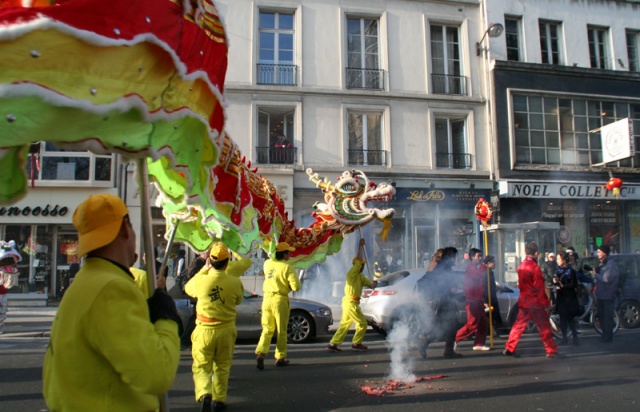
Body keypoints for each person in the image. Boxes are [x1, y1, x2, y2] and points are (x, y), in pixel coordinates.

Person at [43, 194, 181, 411]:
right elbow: (157, 374)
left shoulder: (83, 284)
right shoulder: (112, 288)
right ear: (126, 229)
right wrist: (166, 319)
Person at [184, 242, 245, 412]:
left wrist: (204, 269)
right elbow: (239, 300)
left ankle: (204, 393)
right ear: (227, 262)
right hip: (226, 330)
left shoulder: (202, 280)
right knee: (222, 366)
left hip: (204, 329)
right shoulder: (234, 281)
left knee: (202, 366)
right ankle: (219, 399)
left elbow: (188, 288)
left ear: (210, 261)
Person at [503, 242, 558, 358]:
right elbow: (539, 288)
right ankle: (551, 350)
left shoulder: (521, 266)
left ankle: (509, 347)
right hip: (535, 303)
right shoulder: (535, 268)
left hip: (524, 301)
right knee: (544, 327)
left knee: (518, 325)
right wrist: (546, 303)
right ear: (536, 253)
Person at [255, 242, 301, 369]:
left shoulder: (267, 263)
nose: (290, 255)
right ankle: (280, 357)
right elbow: (296, 286)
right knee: (281, 330)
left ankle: (261, 352)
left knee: (267, 329)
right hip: (280, 300)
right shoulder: (288, 268)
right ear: (284, 254)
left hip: (267, 299)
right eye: (288, 252)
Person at [328, 238, 378, 352]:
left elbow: (370, 285)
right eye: (361, 265)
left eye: (363, 265)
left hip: (352, 303)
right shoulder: (351, 273)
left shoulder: (361, 277)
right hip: (350, 303)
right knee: (362, 323)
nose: (363, 266)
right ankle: (356, 343)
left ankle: (333, 343)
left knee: (344, 325)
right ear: (356, 265)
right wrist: (360, 246)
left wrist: (373, 284)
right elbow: (358, 261)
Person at [416, 246, 463, 359]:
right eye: (454, 257)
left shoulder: (442, 267)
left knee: (445, 326)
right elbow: (439, 284)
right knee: (449, 326)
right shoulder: (443, 268)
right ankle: (442, 349)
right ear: (450, 257)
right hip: (443, 301)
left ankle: (430, 344)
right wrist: (451, 289)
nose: (455, 259)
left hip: (443, 300)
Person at [455, 248, 490, 351]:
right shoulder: (471, 268)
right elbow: (478, 276)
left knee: (483, 323)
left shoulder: (475, 268)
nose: (480, 258)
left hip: (477, 299)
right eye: (478, 256)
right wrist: (484, 265)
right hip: (472, 300)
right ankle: (455, 338)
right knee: (472, 323)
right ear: (472, 257)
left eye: (481, 256)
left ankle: (479, 343)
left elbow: (479, 286)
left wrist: (483, 300)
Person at [589, 245, 619, 343]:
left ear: (604, 253)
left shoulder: (610, 264)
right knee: (601, 316)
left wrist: (595, 275)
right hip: (601, 294)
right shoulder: (603, 263)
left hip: (607, 295)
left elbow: (606, 278)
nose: (597, 254)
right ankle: (604, 335)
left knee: (607, 317)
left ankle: (608, 336)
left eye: (599, 252)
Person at [554, 251, 581, 346]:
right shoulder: (558, 269)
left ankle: (575, 338)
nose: (557, 261)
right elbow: (557, 281)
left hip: (569, 297)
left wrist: (563, 285)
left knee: (570, 319)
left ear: (564, 260)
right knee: (562, 319)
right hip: (561, 296)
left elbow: (574, 284)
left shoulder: (570, 270)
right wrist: (556, 282)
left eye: (558, 259)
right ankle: (564, 338)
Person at [0, 240, 21, 335]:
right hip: (2, 292)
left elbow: (14, 269)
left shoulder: (7, 268)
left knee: (2, 311)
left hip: (3, 293)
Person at [483, 255, 503, 337]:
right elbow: (485, 287)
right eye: (493, 262)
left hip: (492, 296)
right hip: (489, 297)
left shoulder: (490, 272)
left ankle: (495, 332)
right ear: (488, 263)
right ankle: (493, 332)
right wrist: (485, 301)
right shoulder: (486, 273)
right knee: (490, 316)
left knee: (493, 315)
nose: (495, 264)